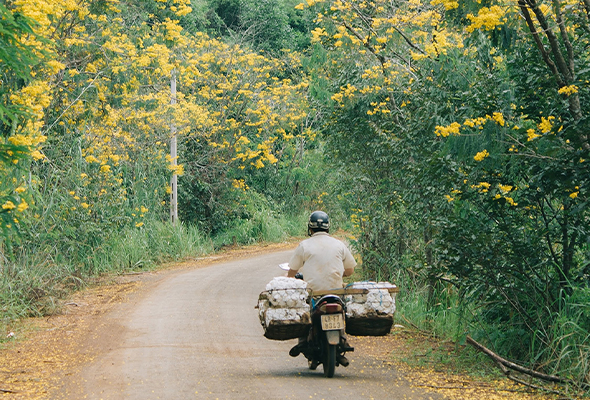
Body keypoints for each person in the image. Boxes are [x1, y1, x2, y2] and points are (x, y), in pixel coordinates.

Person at [287, 210, 356, 367]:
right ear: (328, 228)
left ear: (310, 229)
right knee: (343, 310)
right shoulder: (339, 244)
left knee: (304, 311)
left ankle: (303, 341)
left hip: (314, 294)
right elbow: (351, 270)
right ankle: (342, 338)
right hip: (336, 293)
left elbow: (291, 272)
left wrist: (293, 278)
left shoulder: (304, 245)